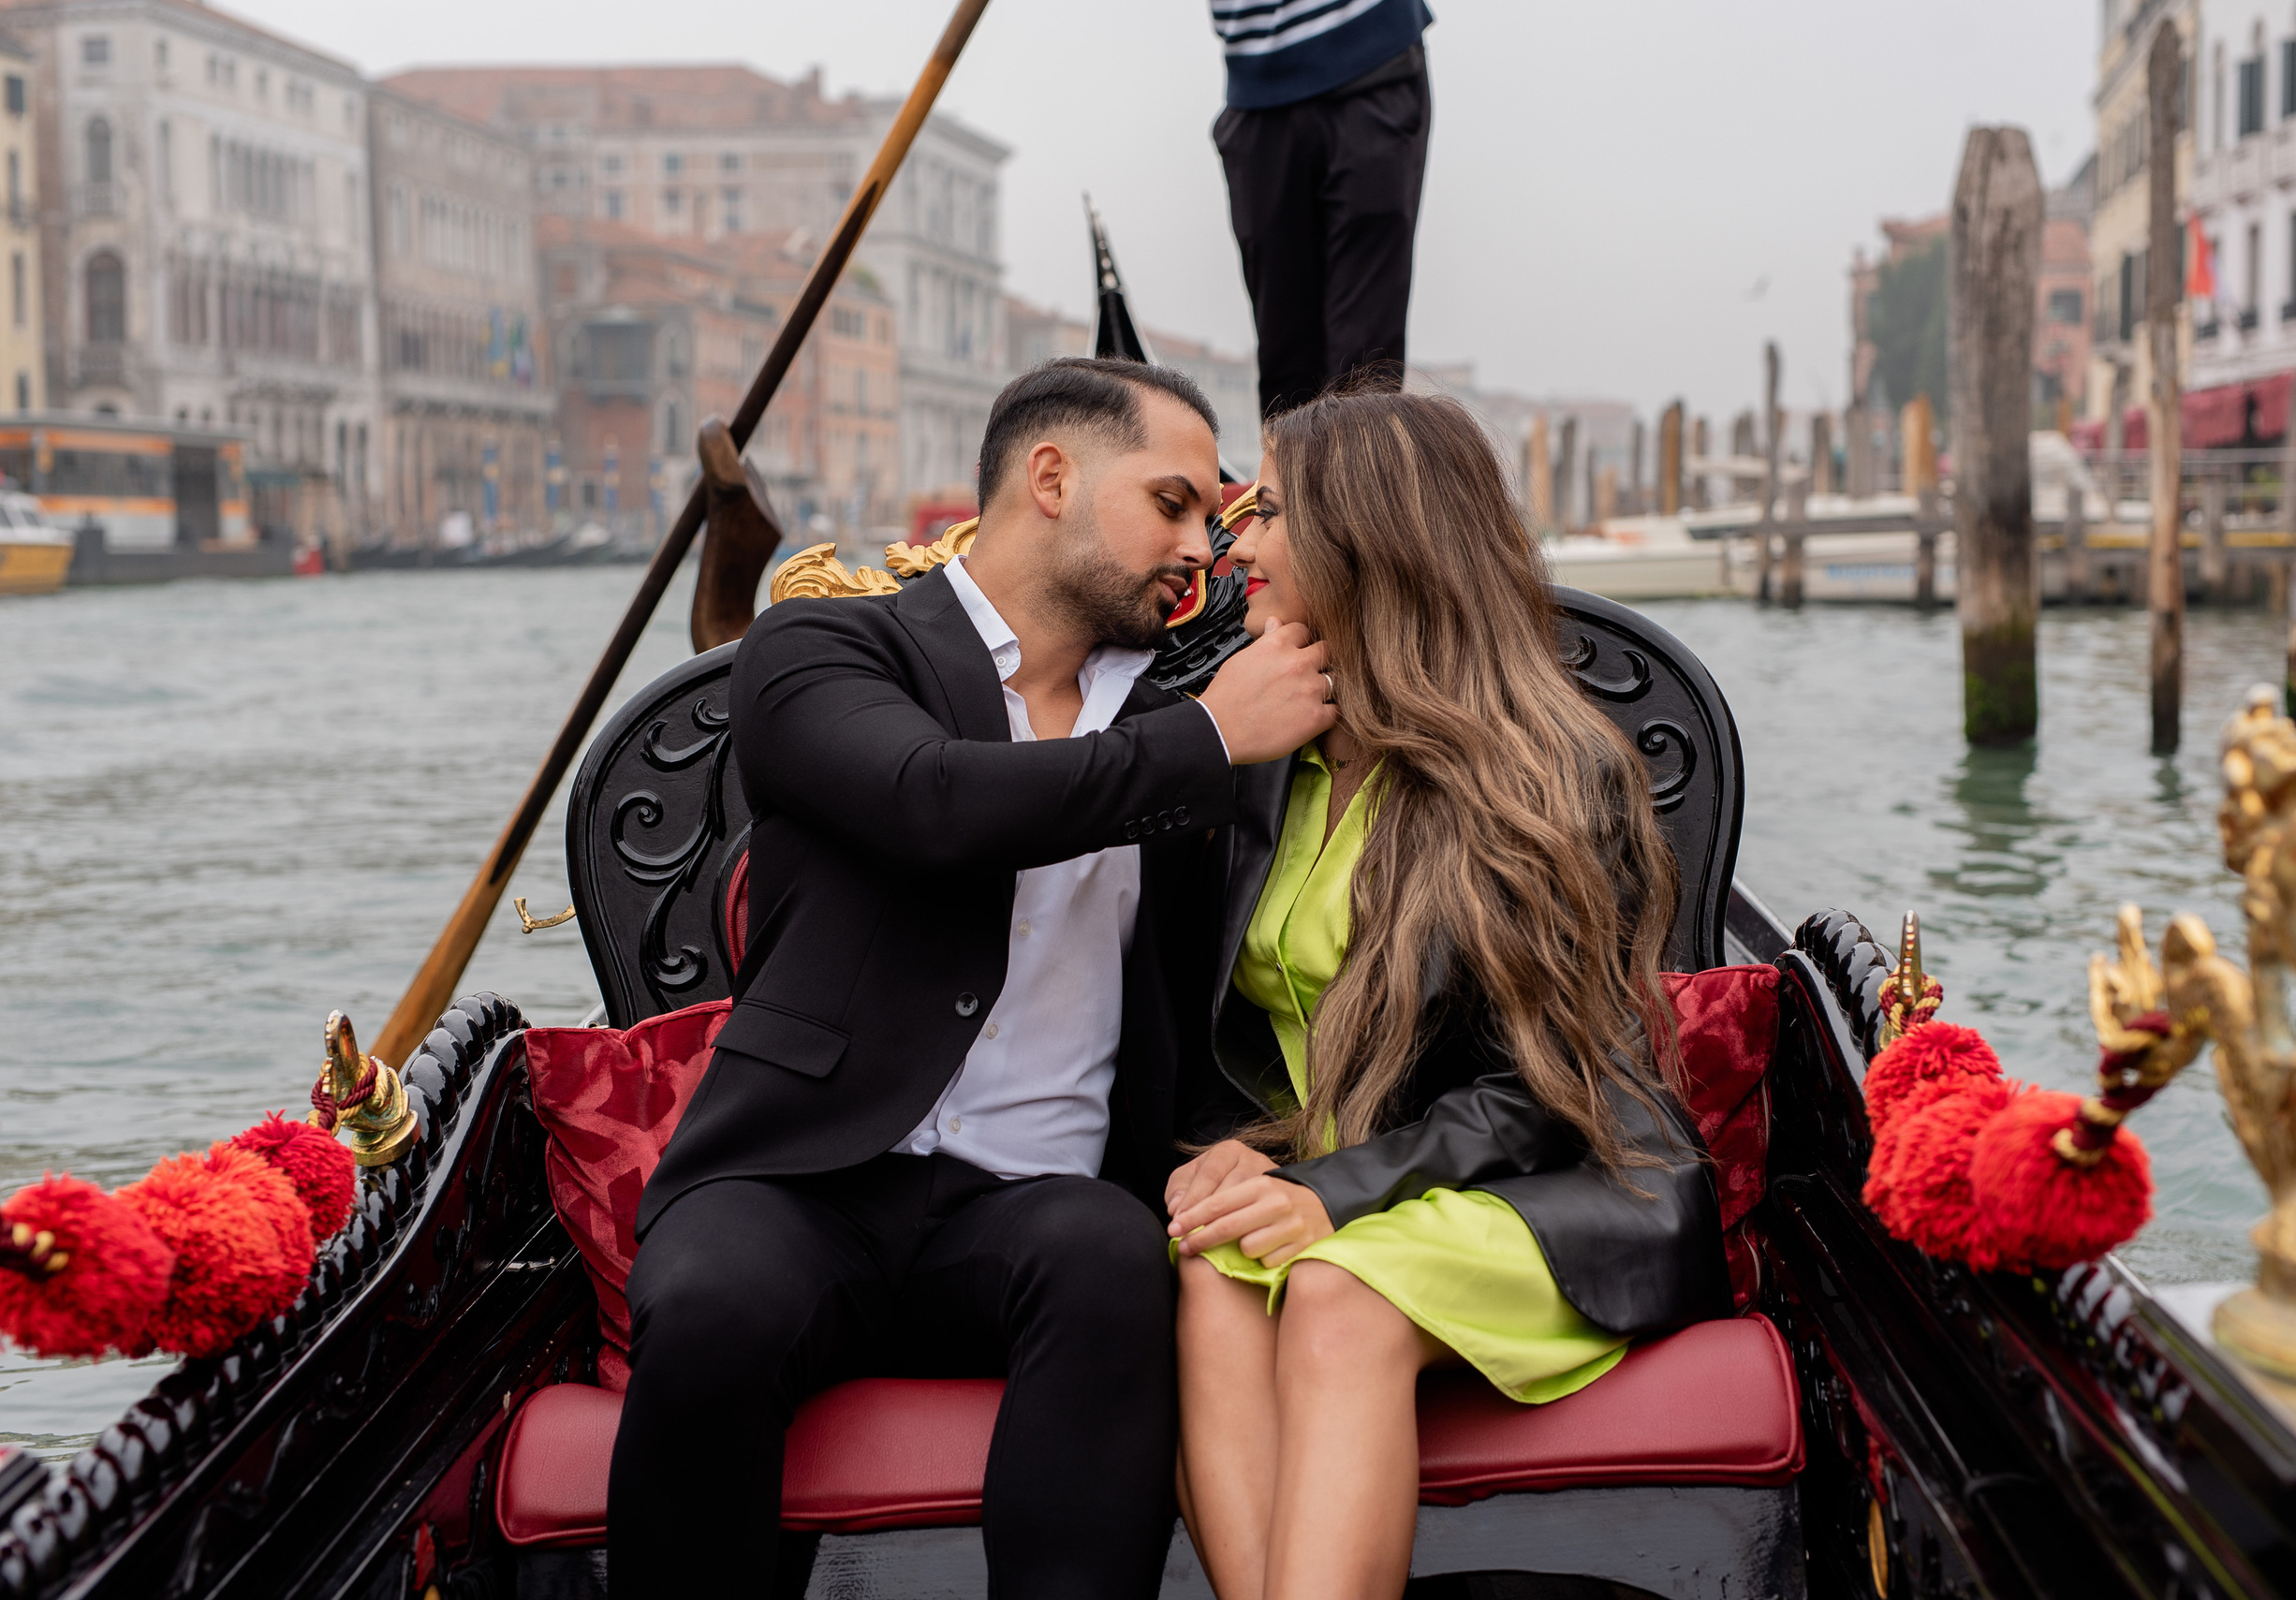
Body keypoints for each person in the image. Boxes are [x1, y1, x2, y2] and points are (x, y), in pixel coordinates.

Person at [609, 358, 1337, 1599]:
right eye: (1169, 503)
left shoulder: (1189, 691)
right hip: (796, 1180)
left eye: (1212, 518)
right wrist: (1210, 740)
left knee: (1110, 1259)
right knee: (713, 1300)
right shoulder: (823, 649)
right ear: (1050, 477)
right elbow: (931, 801)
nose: (1198, 548)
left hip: (1040, 1203)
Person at [1167, 388, 1731, 1600]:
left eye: (1271, 510)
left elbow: (1543, 1087)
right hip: (1356, 1174)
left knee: (1335, 1290)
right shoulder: (1270, 756)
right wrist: (1251, 1150)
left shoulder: (1543, 773)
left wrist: (1326, 1190)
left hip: (1559, 1179)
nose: (1238, 541)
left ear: (1362, 538)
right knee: (1210, 1272)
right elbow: (1265, 1034)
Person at [1211, 0, 1434, 418]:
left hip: (1371, 50)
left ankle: (1360, 463)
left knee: (1365, 372)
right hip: (1257, 74)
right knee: (1285, 370)